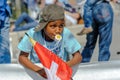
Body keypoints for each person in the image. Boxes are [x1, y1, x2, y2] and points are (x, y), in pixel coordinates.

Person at [18, 4, 82, 79]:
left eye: (61, 25)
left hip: (59, 75)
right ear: (43, 26)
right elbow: (22, 57)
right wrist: (38, 70)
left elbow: (78, 56)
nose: (58, 30)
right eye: (53, 26)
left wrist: (65, 65)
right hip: (39, 75)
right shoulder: (32, 35)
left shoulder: (65, 33)